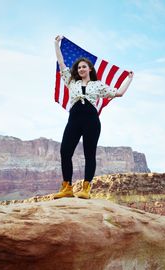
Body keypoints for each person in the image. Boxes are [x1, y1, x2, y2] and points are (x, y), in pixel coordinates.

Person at [54, 35, 134, 199]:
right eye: (79, 68)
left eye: (84, 67)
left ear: (90, 69)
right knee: (65, 151)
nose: (81, 69)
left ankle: (85, 189)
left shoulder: (98, 85)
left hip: (91, 121)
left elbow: (118, 93)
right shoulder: (71, 82)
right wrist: (56, 44)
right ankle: (67, 187)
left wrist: (129, 79)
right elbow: (62, 63)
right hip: (74, 120)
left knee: (89, 154)